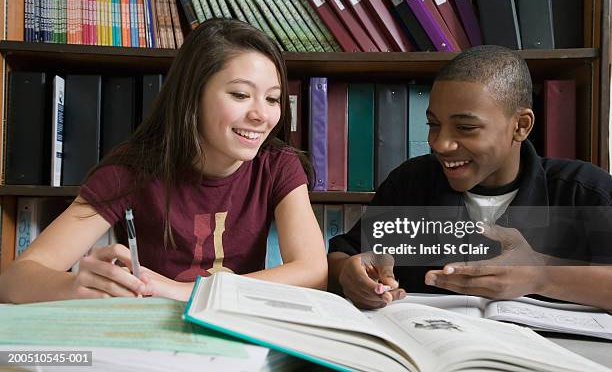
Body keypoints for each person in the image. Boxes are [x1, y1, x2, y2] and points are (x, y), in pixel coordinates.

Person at [0, 19, 327, 304]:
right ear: (192, 96)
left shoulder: (278, 164)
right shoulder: (133, 167)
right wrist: (73, 285)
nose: (261, 115)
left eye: (272, 98)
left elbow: (313, 273)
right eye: (240, 95)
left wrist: (184, 290)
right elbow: (14, 281)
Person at [328, 45, 612, 310]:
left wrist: (541, 276)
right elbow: (343, 257)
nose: (441, 144)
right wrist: (350, 274)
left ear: (521, 126)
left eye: (465, 127)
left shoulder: (585, 192)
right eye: (433, 125)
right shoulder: (411, 182)